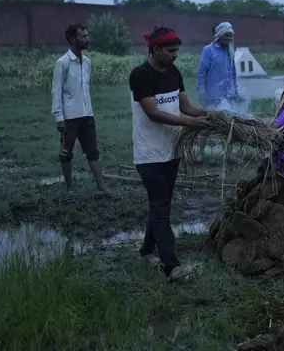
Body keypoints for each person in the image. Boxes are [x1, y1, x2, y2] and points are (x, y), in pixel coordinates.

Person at [129, 26, 214, 280]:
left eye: (177, 50)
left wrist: (211, 115)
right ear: (155, 49)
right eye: (171, 50)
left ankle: (146, 250)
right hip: (149, 154)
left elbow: (185, 106)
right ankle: (171, 266)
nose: (176, 55)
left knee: (160, 204)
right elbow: (153, 113)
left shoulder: (173, 71)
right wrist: (191, 124)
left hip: (172, 151)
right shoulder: (140, 75)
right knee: (161, 207)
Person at [51, 23, 110, 203]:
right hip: (69, 118)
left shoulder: (87, 62)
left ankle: (101, 187)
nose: (87, 39)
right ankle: (70, 190)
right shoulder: (62, 63)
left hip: (87, 115)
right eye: (83, 36)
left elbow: (84, 89)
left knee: (93, 151)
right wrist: (59, 118)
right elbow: (56, 91)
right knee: (66, 153)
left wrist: (88, 112)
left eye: (87, 35)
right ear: (72, 39)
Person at [197, 22, 239, 108]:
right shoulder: (208, 50)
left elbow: (233, 73)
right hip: (213, 96)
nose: (229, 38)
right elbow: (202, 72)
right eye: (226, 35)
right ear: (220, 35)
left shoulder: (230, 51)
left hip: (229, 95)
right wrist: (201, 91)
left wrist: (235, 90)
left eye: (231, 36)